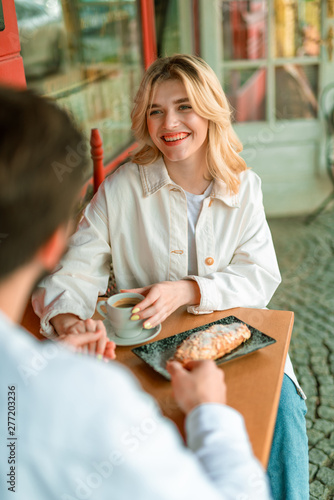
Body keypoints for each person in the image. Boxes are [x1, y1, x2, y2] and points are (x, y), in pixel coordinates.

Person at [33, 55, 308, 499]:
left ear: (210, 109)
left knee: (284, 416)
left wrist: (189, 289)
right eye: (156, 110)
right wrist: (69, 322)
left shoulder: (245, 186)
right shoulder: (122, 189)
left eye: (184, 107)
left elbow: (260, 274)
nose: (169, 123)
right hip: (148, 358)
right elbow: (73, 269)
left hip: (241, 344)